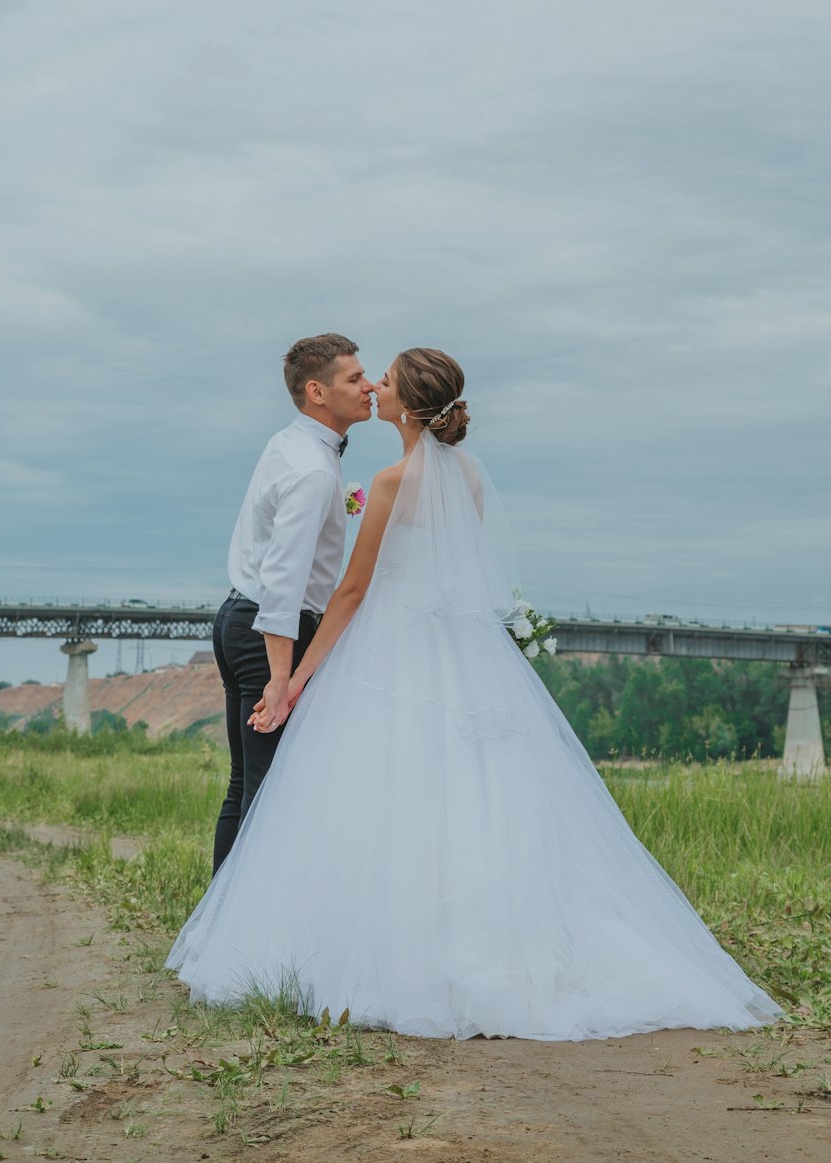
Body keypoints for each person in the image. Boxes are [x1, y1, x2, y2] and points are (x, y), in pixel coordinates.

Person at [169, 348, 782, 1041]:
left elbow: (352, 588)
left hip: (390, 649)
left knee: (370, 796)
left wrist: (299, 677)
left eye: (386, 382)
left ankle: (365, 942)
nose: (375, 387)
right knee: (475, 791)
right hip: (459, 653)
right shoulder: (466, 480)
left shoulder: (392, 480)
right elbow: (423, 548)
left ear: (407, 405)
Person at [209, 332, 374, 874]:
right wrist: (282, 679)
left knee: (247, 785)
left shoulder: (291, 444)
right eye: (354, 378)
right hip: (268, 635)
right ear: (317, 392)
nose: (368, 385)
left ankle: (218, 934)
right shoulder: (313, 470)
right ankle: (241, 948)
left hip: (238, 618)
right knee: (269, 793)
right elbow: (283, 581)